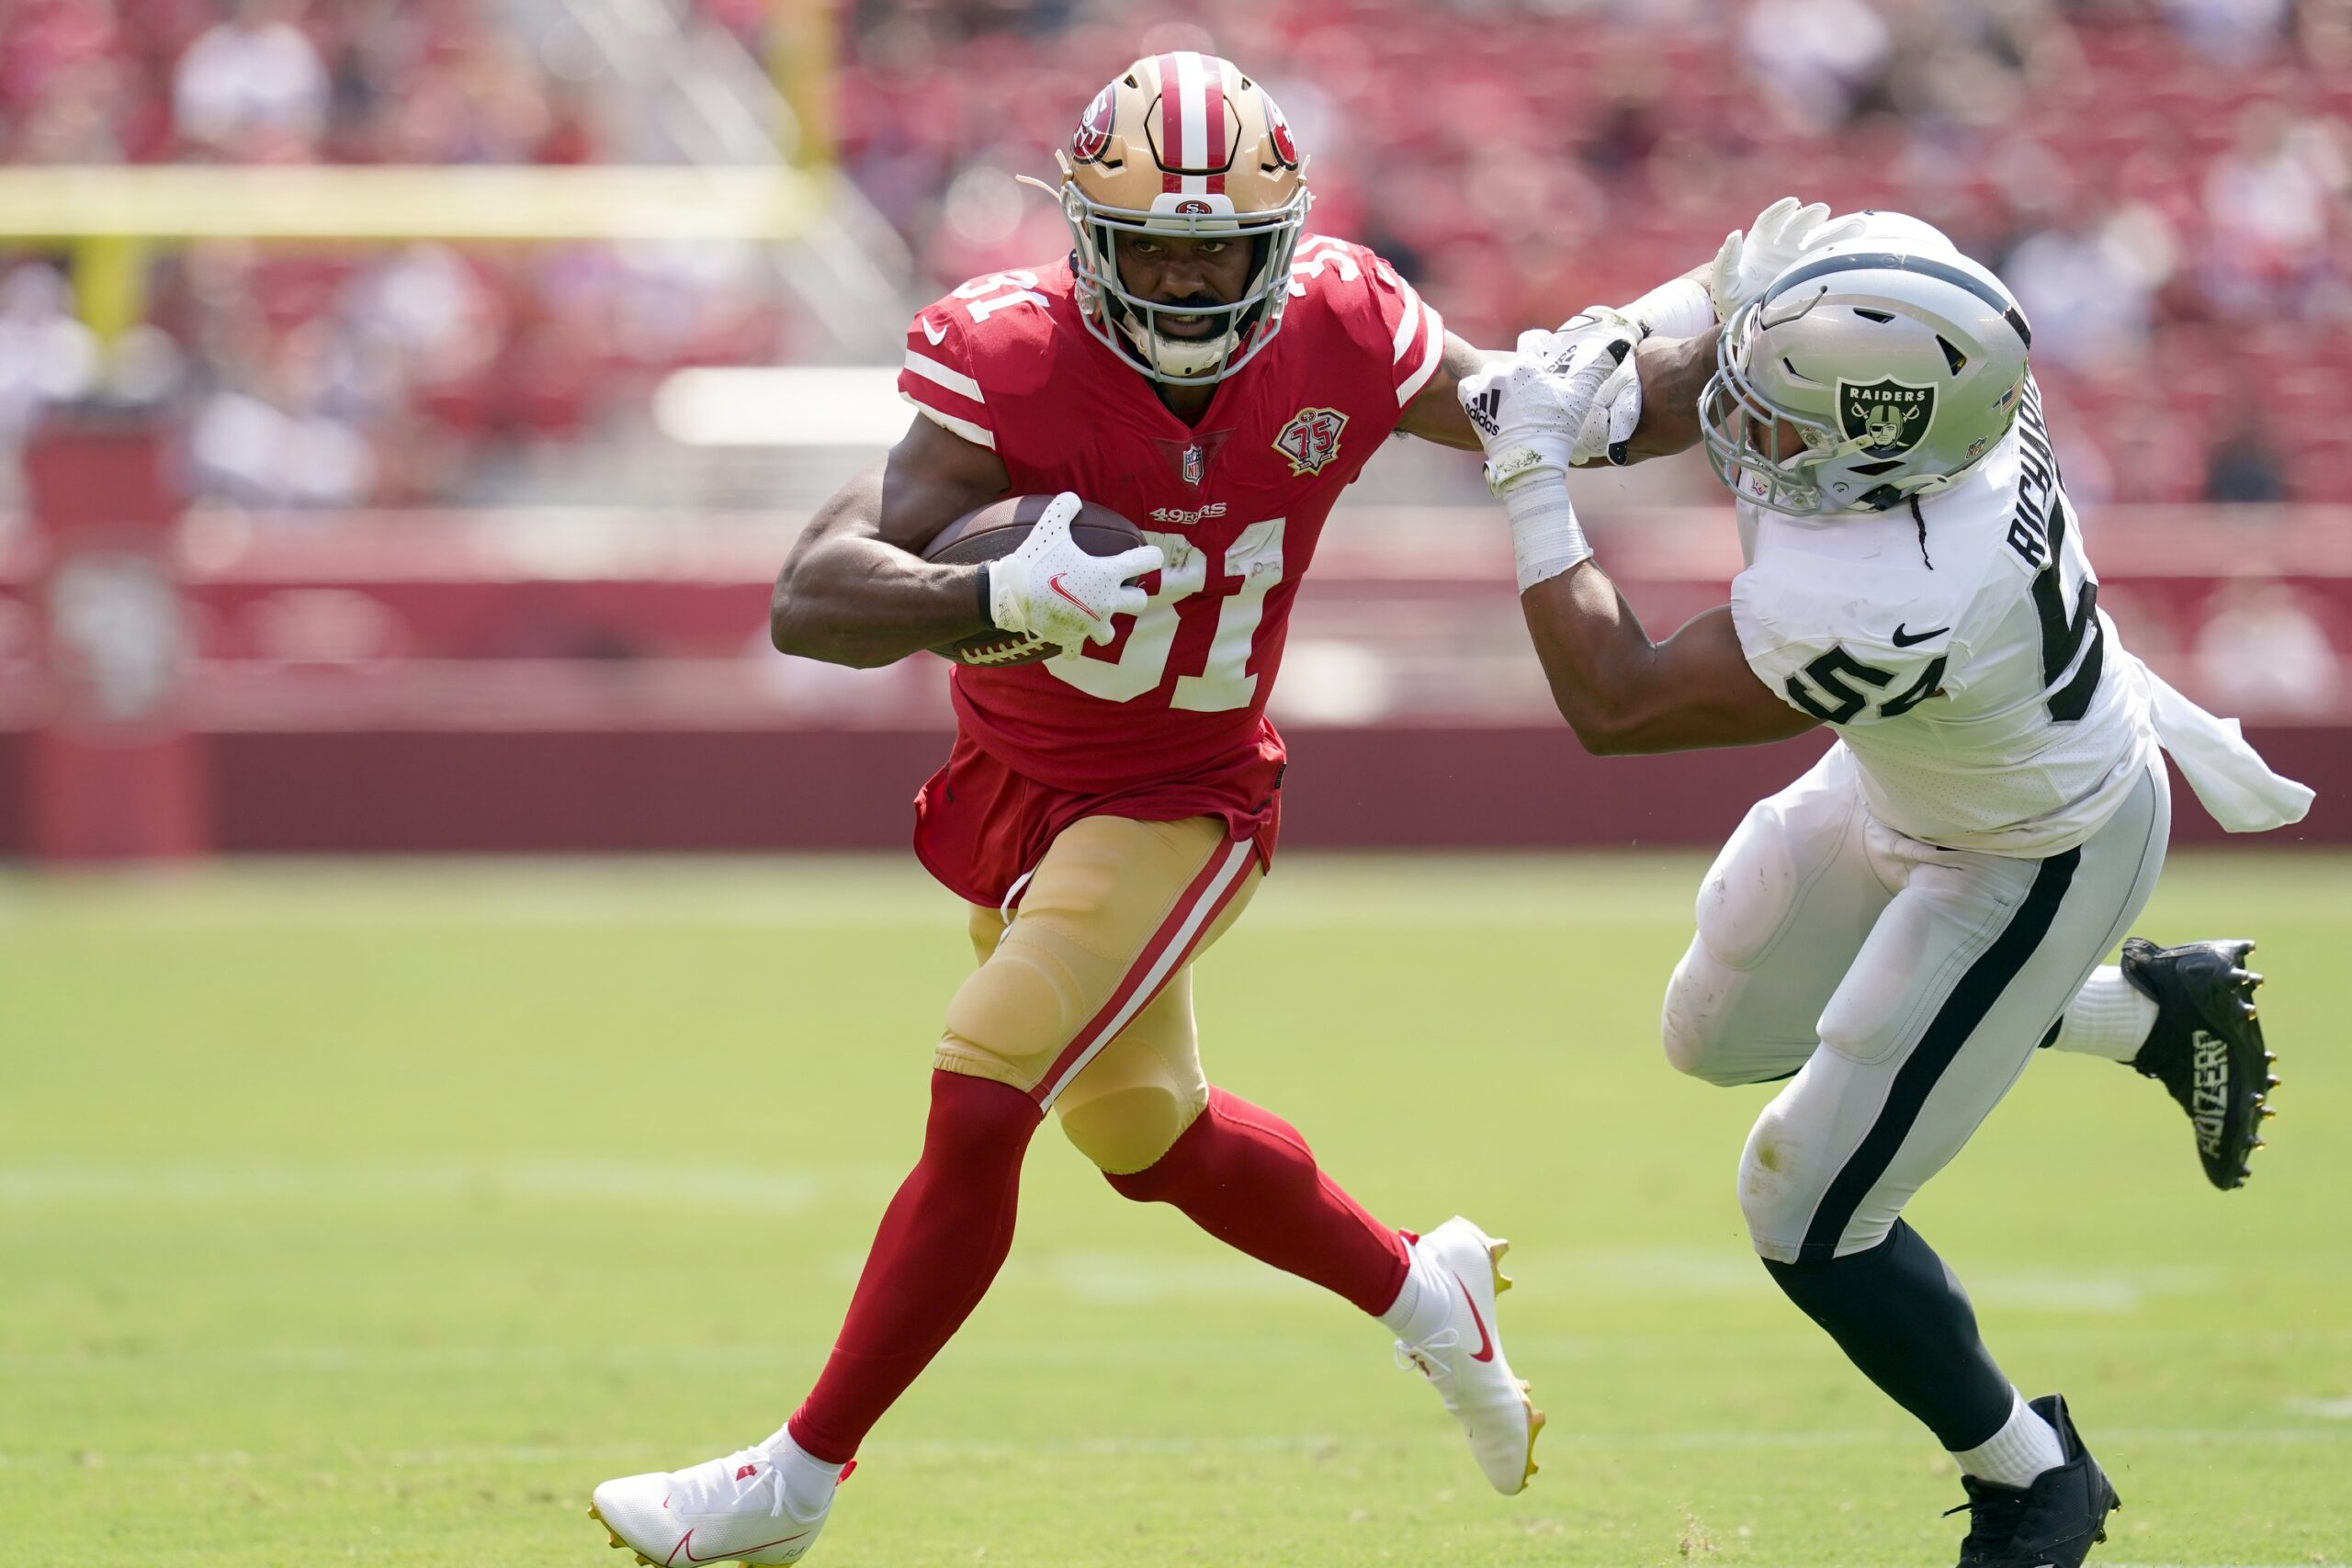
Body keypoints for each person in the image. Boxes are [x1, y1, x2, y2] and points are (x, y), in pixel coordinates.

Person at [585, 52, 1704, 1566]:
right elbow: (811, 595)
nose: (1184, 283)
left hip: (1185, 793)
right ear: (1084, 241)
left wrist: (1699, 343)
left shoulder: (1348, 328)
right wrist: (980, 591)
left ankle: (794, 1481)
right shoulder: (1010, 356)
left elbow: (1581, 413)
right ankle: (1423, 1290)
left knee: (984, 1090)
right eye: (1153, 249)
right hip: (1019, 787)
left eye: (1218, 252)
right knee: (1149, 1137)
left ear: (1284, 244)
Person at [1457, 205, 2312, 1568]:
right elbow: (1738, 321)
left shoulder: (1892, 592)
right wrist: (1622, 336)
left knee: (1804, 1207)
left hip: (2036, 852)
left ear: (1885, 455)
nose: (1748, 435)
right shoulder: (1920, 316)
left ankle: (2032, 1478)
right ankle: (2151, 1019)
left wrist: (1532, 474)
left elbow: (1618, 704)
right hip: (1922, 772)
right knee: (1714, 1032)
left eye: (1784, 426)